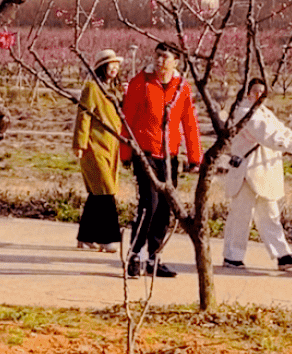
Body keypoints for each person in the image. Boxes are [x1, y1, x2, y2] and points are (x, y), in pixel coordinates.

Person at [121, 39, 201, 278]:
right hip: (145, 153)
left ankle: (154, 257)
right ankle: (135, 256)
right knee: (149, 205)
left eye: (165, 57)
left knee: (165, 209)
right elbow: (126, 119)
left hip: (169, 155)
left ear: (176, 61)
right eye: (157, 55)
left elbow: (189, 123)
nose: (160, 61)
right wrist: (126, 153)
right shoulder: (141, 82)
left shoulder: (181, 87)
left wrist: (195, 157)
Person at [222, 77, 292, 270]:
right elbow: (267, 136)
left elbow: (282, 130)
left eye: (262, 92)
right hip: (246, 172)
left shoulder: (264, 112)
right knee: (241, 216)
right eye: (255, 91)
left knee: (270, 215)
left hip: (262, 172)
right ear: (248, 92)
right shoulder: (245, 113)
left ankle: (282, 255)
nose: (258, 95)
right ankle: (232, 256)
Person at [72, 48, 124, 253]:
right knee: (106, 191)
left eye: (117, 64)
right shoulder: (92, 88)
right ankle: (107, 238)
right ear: (102, 66)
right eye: (111, 64)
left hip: (112, 147)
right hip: (94, 146)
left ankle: (85, 237)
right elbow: (83, 115)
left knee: (97, 193)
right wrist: (79, 144)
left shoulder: (116, 89)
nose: (115, 68)